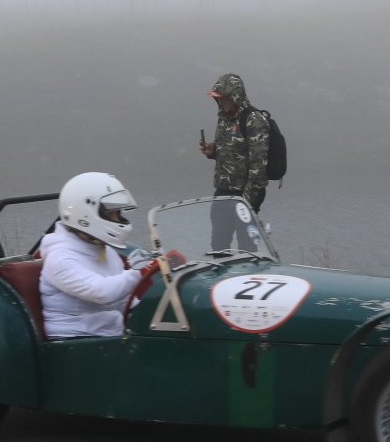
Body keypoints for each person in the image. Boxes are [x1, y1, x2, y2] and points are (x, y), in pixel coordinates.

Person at [38, 172, 171, 339]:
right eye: (111, 214)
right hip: (75, 341)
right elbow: (102, 292)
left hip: (109, 337)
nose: (118, 219)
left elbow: (123, 301)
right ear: (84, 214)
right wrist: (141, 271)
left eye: (118, 213)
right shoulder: (60, 258)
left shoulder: (104, 251)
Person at [198, 72, 269, 250]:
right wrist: (212, 151)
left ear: (235, 96)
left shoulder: (254, 120)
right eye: (218, 98)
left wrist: (246, 201)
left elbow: (259, 165)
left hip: (245, 195)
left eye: (223, 98)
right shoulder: (223, 119)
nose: (220, 102)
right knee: (218, 246)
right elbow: (230, 150)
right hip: (223, 193)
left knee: (247, 248)